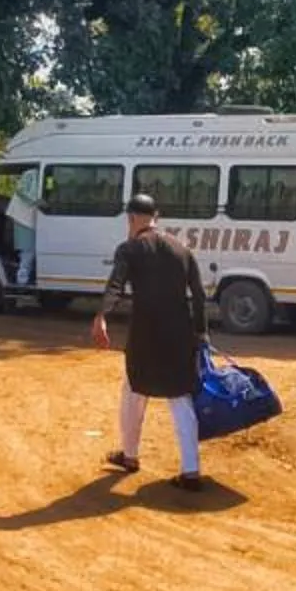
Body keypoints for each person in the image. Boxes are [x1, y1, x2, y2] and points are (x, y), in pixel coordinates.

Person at [94, 190, 210, 490]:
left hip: (145, 335)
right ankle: (191, 470)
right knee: (180, 398)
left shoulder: (129, 250)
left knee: (133, 391)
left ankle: (130, 455)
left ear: (132, 219)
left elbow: (115, 286)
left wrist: (102, 315)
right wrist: (201, 333)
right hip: (179, 335)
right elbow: (198, 296)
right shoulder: (182, 250)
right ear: (156, 218)